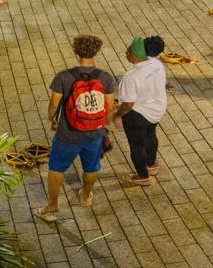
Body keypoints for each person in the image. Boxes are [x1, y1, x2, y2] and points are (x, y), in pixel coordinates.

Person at [35, 34, 118, 221]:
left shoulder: (63, 76)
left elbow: (54, 104)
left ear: (75, 51)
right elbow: (110, 107)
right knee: (92, 166)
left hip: (67, 133)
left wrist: (50, 119)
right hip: (95, 133)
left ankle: (52, 204)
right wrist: (107, 124)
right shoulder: (105, 78)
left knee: (56, 167)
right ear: (96, 51)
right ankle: (85, 195)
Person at [116, 35, 168, 186]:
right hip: (157, 110)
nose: (126, 52)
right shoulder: (157, 64)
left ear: (137, 55)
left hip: (137, 116)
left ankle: (143, 176)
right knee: (151, 134)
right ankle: (151, 165)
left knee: (137, 145)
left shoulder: (131, 77)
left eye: (129, 50)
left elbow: (127, 104)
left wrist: (116, 116)